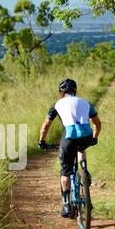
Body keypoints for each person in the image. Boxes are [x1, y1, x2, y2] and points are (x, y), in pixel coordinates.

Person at [38, 79, 102, 218]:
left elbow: (46, 125)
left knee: (66, 170)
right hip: (86, 135)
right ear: (75, 91)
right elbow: (97, 123)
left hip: (69, 137)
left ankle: (67, 204)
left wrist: (42, 141)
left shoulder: (57, 104)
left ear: (61, 92)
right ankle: (84, 170)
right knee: (81, 148)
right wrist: (95, 137)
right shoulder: (86, 102)